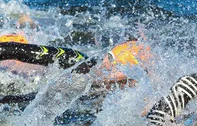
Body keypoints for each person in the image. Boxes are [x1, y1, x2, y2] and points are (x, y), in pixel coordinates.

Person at [0, 38, 152, 90]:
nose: (113, 74)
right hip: (20, 70)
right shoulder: (78, 61)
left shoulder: (101, 93)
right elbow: (18, 50)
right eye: (110, 61)